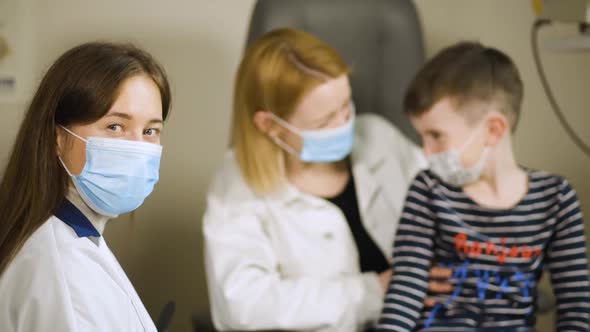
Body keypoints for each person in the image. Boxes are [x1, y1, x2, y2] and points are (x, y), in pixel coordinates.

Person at [203, 28, 452, 332]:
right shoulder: (238, 183)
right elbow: (243, 304)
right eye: (325, 121)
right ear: (270, 125)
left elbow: (450, 200)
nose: (344, 124)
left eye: (346, 106)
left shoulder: (377, 136)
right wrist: (375, 291)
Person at [376, 41, 590, 331]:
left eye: (436, 136)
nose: (426, 152)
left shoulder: (556, 198)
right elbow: (405, 290)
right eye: (422, 137)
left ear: (493, 130)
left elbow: (576, 307)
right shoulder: (428, 190)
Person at [0, 42, 171, 331]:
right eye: (115, 126)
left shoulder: (70, 237)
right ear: (58, 138)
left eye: (150, 131)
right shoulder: (65, 272)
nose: (137, 149)